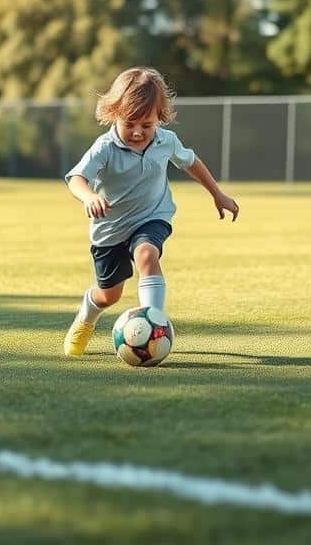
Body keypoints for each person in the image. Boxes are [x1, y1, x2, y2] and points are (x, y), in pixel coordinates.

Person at [63, 66, 240, 356]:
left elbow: (191, 162)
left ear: (160, 117)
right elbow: (76, 179)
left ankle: (154, 327)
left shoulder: (165, 140)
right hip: (109, 230)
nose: (137, 132)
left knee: (147, 254)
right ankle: (85, 319)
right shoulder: (104, 147)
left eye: (146, 125)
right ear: (114, 114)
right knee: (109, 295)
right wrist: (88, 196)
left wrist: (217, 194)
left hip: (152, 216)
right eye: (129, 123)